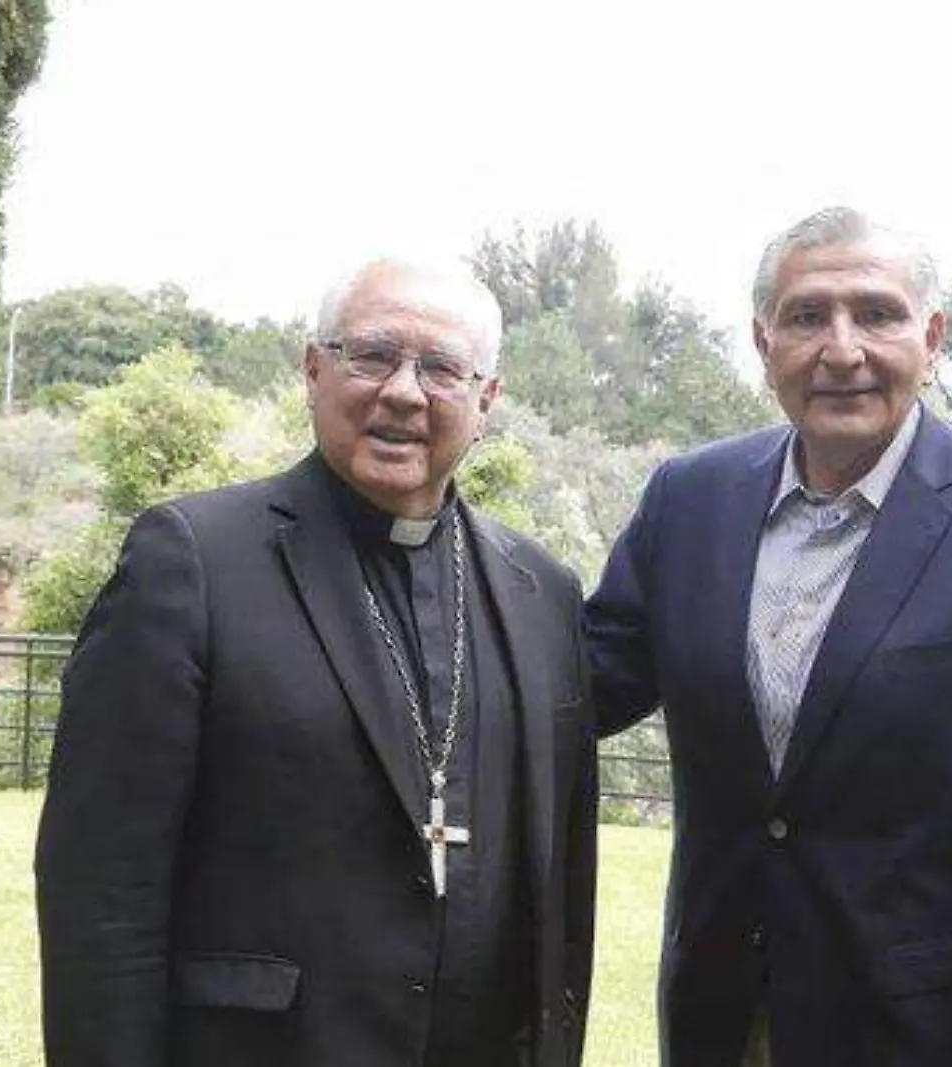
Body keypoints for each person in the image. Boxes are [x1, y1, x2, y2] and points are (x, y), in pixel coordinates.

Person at [585, 207, 952, 1067]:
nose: (842, 349)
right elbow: (569, 687)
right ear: (764, 343)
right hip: (720, 1021)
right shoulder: (689, 503)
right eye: (807, 316)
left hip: (918, 1035)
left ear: (932, 335)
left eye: (876, 313)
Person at [35, 258, 597, 1067]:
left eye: (440, 368)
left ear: (487, 401)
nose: (403, 391)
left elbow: (561, 883)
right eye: (371, 355)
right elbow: (101, 890)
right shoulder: (193, 561)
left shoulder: (541, 592)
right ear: (313, 370)